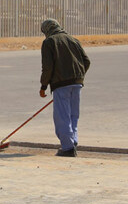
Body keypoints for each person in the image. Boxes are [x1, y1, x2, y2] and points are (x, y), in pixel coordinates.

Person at [39, 18, 91, 157]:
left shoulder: (49, 42)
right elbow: (86, 61)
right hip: (77, 83)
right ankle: (73, 141)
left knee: (62, 116)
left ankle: (68, 148)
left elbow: (48, 67)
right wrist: (78, 76)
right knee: (73, 115)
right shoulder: (73, 40)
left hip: (61, 84)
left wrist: (43, 86)